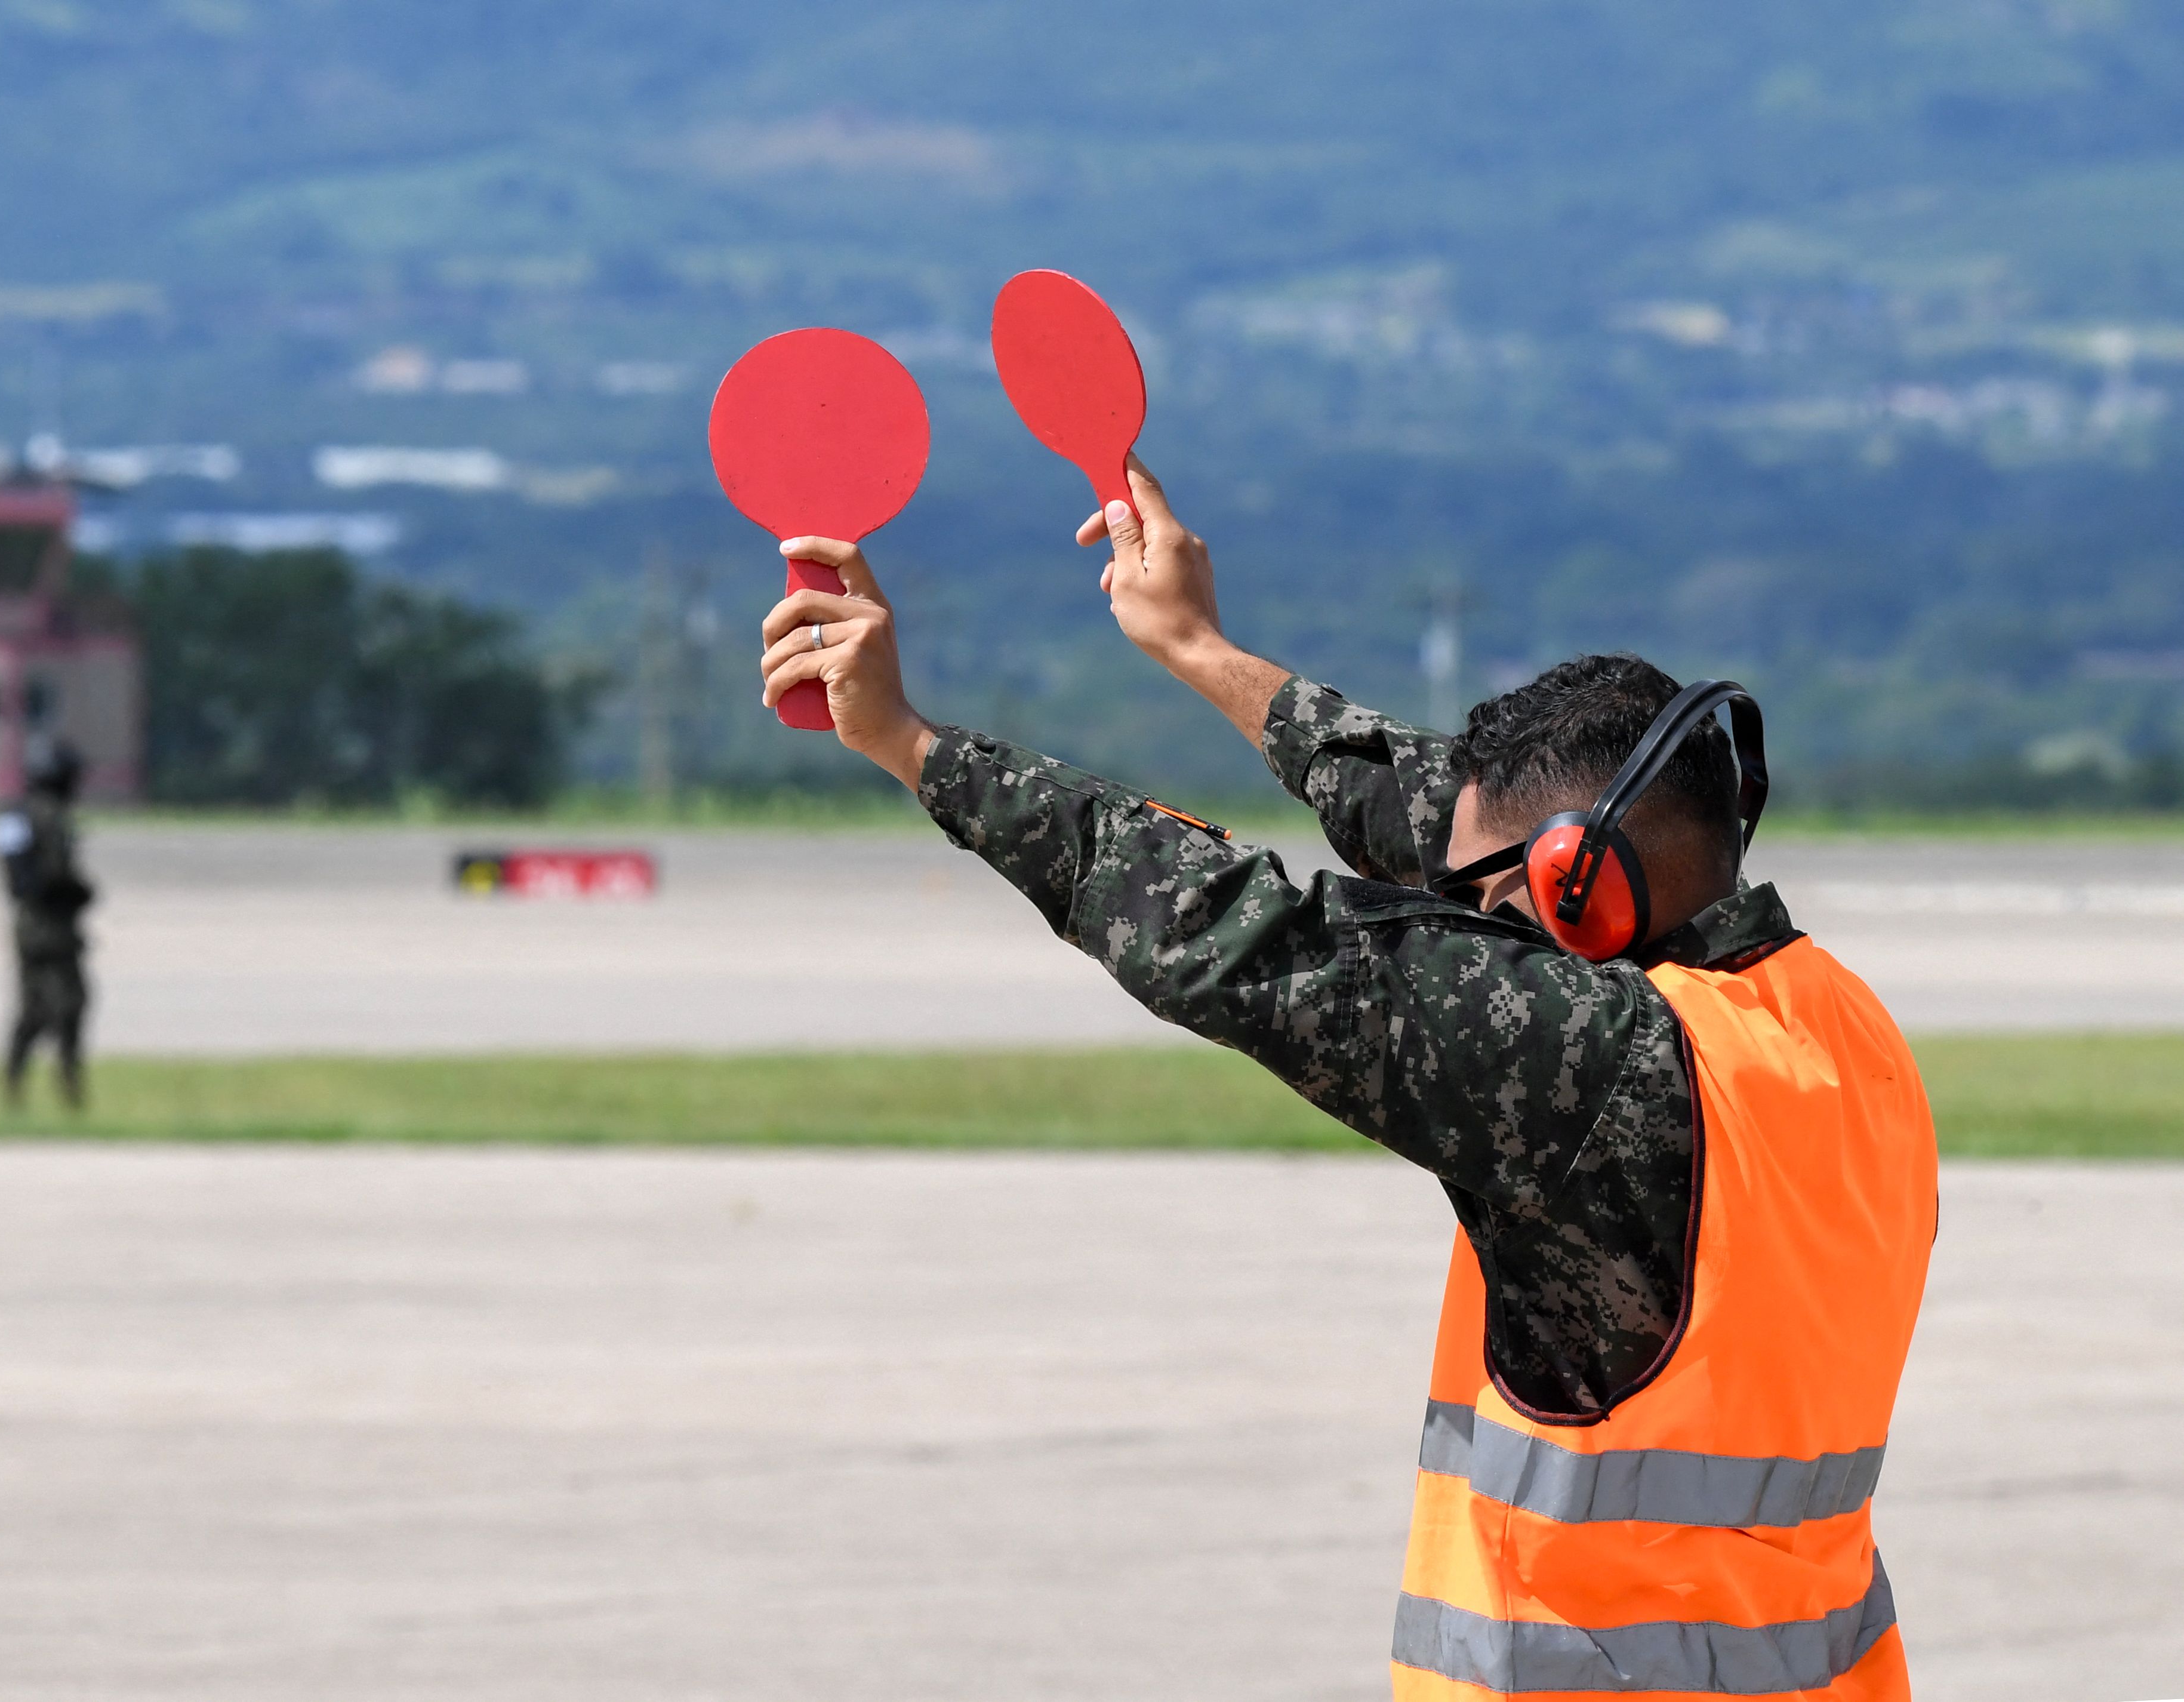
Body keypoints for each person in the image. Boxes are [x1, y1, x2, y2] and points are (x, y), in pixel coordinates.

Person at [754, 457, 1937, 1702]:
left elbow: (1227, 931)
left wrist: (909, 743)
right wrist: (1197, 649)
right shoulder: (1833, 1029)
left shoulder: (1599, 1068)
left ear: (1578, 894)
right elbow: (1448, 820)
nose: (1454, 915)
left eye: (1479, 908)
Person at [0, 738, 97, 1110]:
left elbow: (11, 874)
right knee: (71, 1005)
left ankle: (12, 1087)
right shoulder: (52, 818)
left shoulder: (13, 816)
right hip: (54, 927)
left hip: (25, 925)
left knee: (31, 1009)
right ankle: (69, 1089)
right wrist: (82, 894)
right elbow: (57, 874)